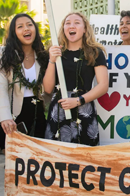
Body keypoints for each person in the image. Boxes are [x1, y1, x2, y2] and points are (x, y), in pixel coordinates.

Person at [42, 12, 109, 146]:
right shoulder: (56, 52)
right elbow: (48, 88)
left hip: (84, 110)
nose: (72, 25)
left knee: (85, 157)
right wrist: (51, 60)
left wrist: (78, 101)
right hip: (59, 110)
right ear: (63, 29)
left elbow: (103, 85)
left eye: (77, 23)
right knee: (57, 157)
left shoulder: (95, 52)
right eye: (68, 23)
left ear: (85, 29)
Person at [0, 13, 48, 147]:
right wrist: (5, 117)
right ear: (14, 32)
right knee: (15, 163)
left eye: (30, 25)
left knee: (38, 162)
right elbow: (1, 88)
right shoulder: (2, 54)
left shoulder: (42, 55)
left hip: (38, 112)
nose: (26, 29)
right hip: (13, 113)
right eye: (20, 26)